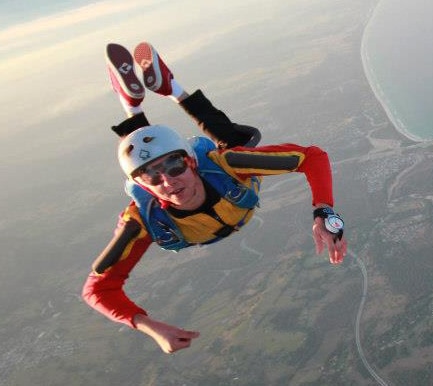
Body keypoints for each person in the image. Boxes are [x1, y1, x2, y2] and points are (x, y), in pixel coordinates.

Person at [82, 42, 348, 354]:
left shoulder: (230, 166)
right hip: (227, 200)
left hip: (225, 177)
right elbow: (98, 289)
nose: (168, 180)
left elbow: (312, 157)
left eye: (175, 165)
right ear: (142, 187)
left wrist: (323, 210)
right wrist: (149, 326)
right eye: (153, 177)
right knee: (195, 144)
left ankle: (169, 88)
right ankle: (136, 107)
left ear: (191, 161)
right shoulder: (142, 222)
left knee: (234, 143)